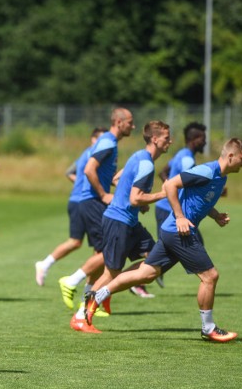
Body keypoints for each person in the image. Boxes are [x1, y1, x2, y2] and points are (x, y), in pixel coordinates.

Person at [85, 138, 242, 342]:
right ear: (231, 156)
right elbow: (171, 184)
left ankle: (97, 296)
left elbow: (200, 200)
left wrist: (215, 215)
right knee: (210, 276)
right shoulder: (207, 171)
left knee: (146, 273)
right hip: (179, 232)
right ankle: (208, 328)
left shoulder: (221, 178)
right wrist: (180, 217)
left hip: (171, 232)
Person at [74, 121, 172, 333]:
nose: (170, 142)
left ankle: (108, 291)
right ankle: (81, 316)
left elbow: (118, 178)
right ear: (155, 139)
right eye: (166, 138)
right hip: (118, 221)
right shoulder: (146, 164)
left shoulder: (139, 156)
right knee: (111, 272)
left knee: (154, 258)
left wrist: (136, 198)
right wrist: (161, 195)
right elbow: (135, 198)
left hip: (129, 222)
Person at [56, 108, 135, 331]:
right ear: (119, 122)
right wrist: (103, 195)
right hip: (92, 201)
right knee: (105, 253)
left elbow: (98, 173)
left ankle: (90, 301)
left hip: (91, 201)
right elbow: (90, 169)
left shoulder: (110, 142)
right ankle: (71, 281)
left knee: (103, 253)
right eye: (130, 122)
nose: (133, 126)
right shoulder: (108, 142)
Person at [34, 127, 106, 286]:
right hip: (86, 201)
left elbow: (69, 172)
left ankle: (45, 264)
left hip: (77, 200)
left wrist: (80, 184)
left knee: (80, 243)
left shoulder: (85, 153)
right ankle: (88, 293)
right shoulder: (95, 154)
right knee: (99, 249)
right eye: (100, 139)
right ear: (93, 139)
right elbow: (88, 173)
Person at [153, 122, 207, 289]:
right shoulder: (186, 159)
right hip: (169, 210)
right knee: (179, 248)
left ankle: (149, 274)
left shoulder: (181, 154)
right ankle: (146, 276)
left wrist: (171, 189)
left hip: (166, 208)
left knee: (183, 246)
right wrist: (173, 192)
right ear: (195, 139)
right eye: (203, 139)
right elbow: (191, 181)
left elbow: (162, 172)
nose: (205, 142)